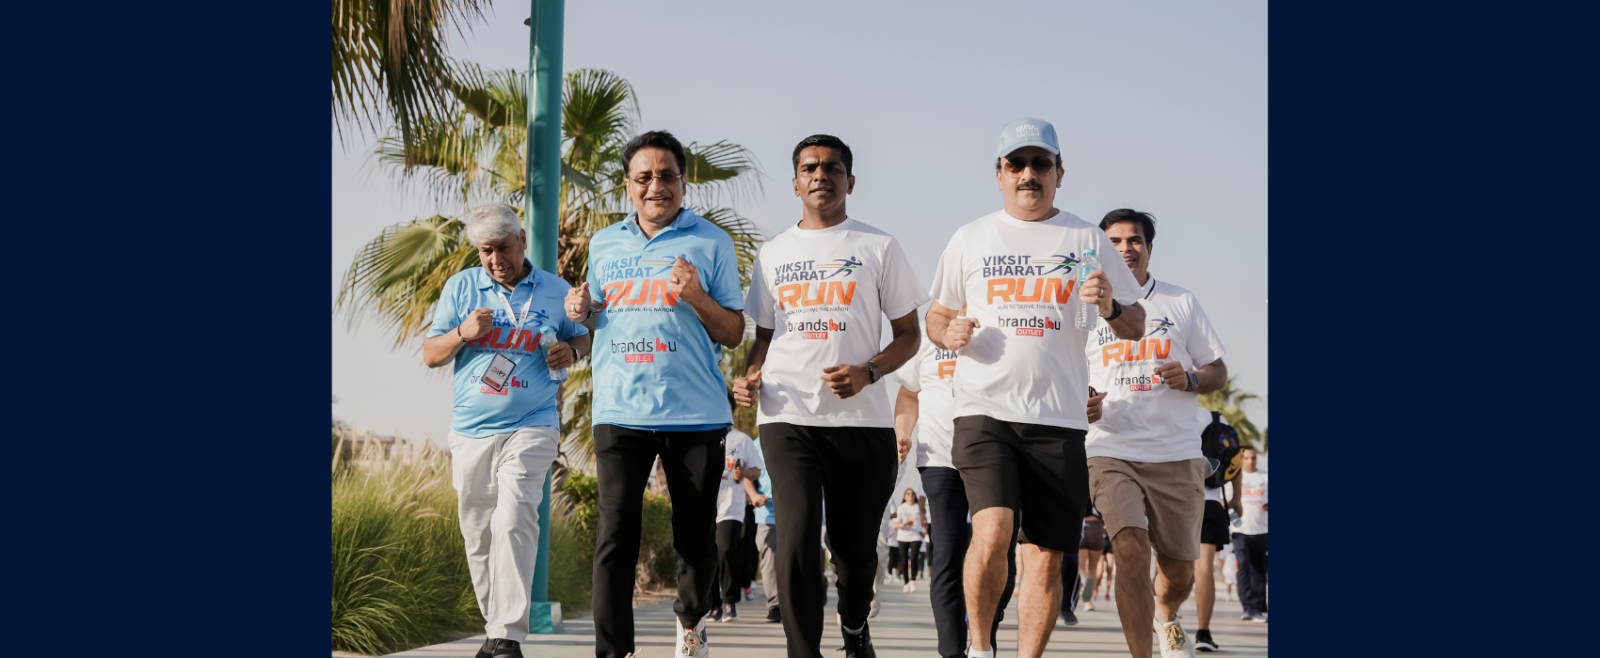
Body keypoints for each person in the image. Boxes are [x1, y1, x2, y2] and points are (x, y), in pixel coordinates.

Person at [926, 117, 1147, 658]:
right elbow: (936, 315)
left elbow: (1136, 323)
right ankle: (981, 649)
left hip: (1059, 420)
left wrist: (1109, 307)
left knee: (1046, 558)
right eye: (1017, 164)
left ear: (1059, 173)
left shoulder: (1086, 238)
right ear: (1000, 174)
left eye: (1040, 164)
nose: (1028, 174)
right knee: (993, 531)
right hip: (984, 411)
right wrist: (948, 333)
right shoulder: (970, 237)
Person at [732, 134, 928, 658]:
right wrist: (751, 375)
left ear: (850, 181)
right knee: (795, 537)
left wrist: (869, 371)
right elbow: (764, 337)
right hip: (787, 415)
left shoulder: (878, 247)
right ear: (796, 183)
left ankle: (855, 624)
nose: (821, 175)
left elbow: (909, 335)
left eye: (832, 168)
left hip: (862, 422)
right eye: (810, 168)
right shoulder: (774, 252)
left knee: (855, 554)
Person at [566, 131, 748, 658]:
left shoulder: (712, 242)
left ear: (683, 183)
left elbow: (733, 332)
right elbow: (598, 316)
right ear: (628, 186)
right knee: (614, 534)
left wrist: (696, 295)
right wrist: (583, 311)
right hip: (619, 409)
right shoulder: (604, 243)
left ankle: (691, 620)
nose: (655, 186)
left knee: (694, 538)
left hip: (695, 413)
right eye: (643, 177)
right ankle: (614, 651)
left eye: (666, 176)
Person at [422, 205, 592, 658]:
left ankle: (508, 636)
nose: (496, 259)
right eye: (486, 251)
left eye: (503, 248)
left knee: (515, 516)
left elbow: (584, 335)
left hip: (533, 422)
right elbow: (431, 354)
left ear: (522, 240)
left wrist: (572, 352)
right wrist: (462, 332)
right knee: (478, 534)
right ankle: (495, 629)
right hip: (471, 431)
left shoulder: (555, 290)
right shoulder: (461, 287)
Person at [1081, 208, 1228, 658]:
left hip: (1176, 453)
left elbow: (1218, 370)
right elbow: (1067, 375)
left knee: (1180, 571)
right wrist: (1083, 402)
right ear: (1101, 250)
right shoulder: (1082, 306)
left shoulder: (1180, 301)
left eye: (1135, 240)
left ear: (1149, 248)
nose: (1126, 248)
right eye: (1115, 241)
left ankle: (1166, 614)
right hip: (1110, 447)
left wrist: (1191, 378)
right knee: (1129, 549)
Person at [1193, 410, 1243, 652]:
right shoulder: (1216, 418)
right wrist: (1237, 498)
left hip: (1176, 499)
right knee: (1204, 568)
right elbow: (1235, 460)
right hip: (1211, 502)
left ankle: (1165, 619)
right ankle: (1203, 632)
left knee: (1167, 563)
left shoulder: (1167, 411)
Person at [709, 420, 764, 622]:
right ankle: (714, 604)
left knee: (726, 550)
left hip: (732, 507)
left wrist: (745, 473)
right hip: (707, 506)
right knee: (709, 554)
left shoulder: (742, 439)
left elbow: (757, 470)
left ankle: (729, 602)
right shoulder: (701, 435)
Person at [1232, 447, 1268, 623]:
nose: (1250, 461)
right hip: (1239, 531)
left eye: (1253, 458)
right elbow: (1227, 501)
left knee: (1259, 570)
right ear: (1241, 459)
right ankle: (1248, 607)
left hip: (1262, 530)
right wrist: (1233, 522)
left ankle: (1259, 607)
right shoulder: (1234, 477)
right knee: (1243, 566)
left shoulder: (1265, 477)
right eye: (1246, 458)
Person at [751, 435, 782, 623]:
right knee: (769, 557)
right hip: (767, 511)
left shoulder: (796, 436)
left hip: (794, 509)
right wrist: (753, 494)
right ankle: (775, 605)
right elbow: (745, 474)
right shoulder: (756, 445)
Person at [892, 488, 925, 591]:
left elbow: (924, 520)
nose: (911, 496)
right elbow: (895, 525)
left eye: (912, 494)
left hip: (916, 536)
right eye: (908, 494)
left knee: (914, 557)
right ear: (904, 497)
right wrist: (905, 524)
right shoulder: (901, 508)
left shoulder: (918, 507)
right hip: (903, 537)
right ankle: (906, 583)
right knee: (904, 560)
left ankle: (913, 581)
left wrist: (924, 530)